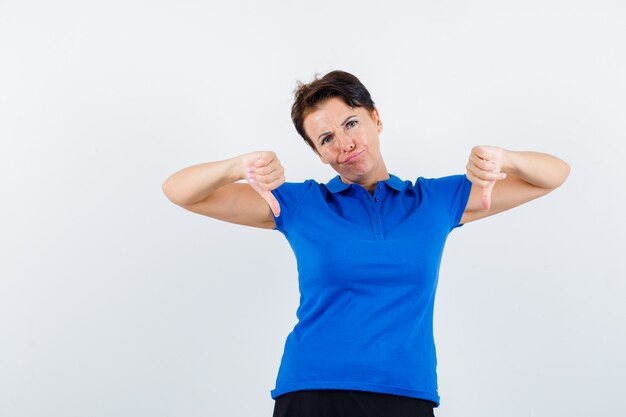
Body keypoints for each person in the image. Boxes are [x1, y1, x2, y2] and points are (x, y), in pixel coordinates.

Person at [161, 70, 570, 417]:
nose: (344, 143)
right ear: (320, 155)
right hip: (313, 390)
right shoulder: (300, 204)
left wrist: (506, 159)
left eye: (351, 123)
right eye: (326, 139)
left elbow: (554, 174)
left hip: (407, 392)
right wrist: (237, 166)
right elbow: (180, 191)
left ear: (375, 118)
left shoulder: (434, 202)